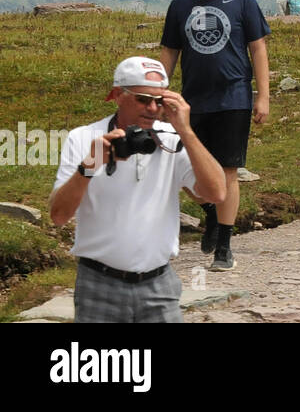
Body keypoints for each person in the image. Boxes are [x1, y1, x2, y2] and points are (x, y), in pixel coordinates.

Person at [50, 57, 226, 323]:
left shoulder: (171, 140)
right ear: (118, 95)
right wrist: (89, 165)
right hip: (98, 283)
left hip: (159, 282)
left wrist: (186, 132)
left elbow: (216, 194)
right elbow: (59, 216)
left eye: (160, 101)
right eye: (143, 99)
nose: (153, 108)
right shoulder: (84, 138)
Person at [159, 0, 270, 272]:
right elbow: (169, 51)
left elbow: (258, 49)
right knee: (185, 170)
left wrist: (262, 95)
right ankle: (210, 213)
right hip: (193, 101)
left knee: (227, 171)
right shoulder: (180, 4)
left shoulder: (242, 0)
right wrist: (157, 92)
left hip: (233, 97)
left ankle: (224, 244)